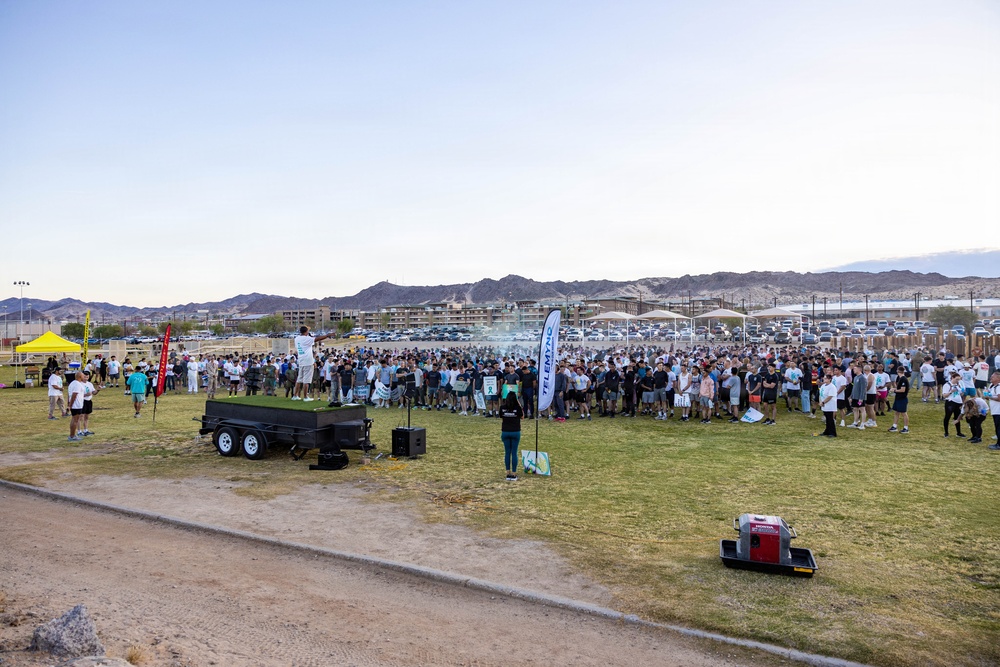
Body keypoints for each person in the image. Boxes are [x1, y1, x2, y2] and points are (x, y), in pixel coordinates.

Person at [292, 326, 333, 401]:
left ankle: (295, 395)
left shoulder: (297, 338)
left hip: (301, 361)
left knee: (299, 379)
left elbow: (308, 336)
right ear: (306, 332)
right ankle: (305, 397)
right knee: (306, 381)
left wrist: (307, 330)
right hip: (308, 361)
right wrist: (327, 335)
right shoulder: (307, 339)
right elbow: (318, 339)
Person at [499, 392, 523, 481]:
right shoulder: (517, 408)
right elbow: (522, 416)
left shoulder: (502, 408)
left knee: (507, 452)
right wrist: (519, 404)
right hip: (515, 431)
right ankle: (514, 473)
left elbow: (501, 416)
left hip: (505, 431)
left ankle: (507, 472)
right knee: (514, 452)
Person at [942, 372, 966, 438]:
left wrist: (961, 392)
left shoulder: (959, 384)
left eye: (959, 379)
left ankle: (958, 432)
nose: (958, 381)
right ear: (952, 378)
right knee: (947, 417)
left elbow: (961, 394)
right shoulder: (947, 385)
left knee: (957, 417)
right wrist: (951, 392)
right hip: (950, 402)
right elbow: (944, 395)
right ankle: (946, 432)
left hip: (958, 402)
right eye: (956, 379)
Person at [78, 371, 101, 437]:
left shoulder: (89, 384)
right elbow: (77, 394)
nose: (86, 378)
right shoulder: (79, 384)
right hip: (82, 401)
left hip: (89, 401)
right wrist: (85, 395)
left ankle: (86, 430)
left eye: (87, 377)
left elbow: (94, 392)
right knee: (80, 417)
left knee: (86, 416)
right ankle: (79, 431)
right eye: (84, 377)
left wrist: (98, 390)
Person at [888, 366, 910, 434]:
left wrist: (894, 390)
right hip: (898, 398)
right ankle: (894, 426)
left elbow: (902, 390)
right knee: (896, 412)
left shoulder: (903, 379)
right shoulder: (900, 378)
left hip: (902, 398)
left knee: (904, 413)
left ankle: (906, 428)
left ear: (898, 371)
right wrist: (895, 389)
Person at [67, 371, 86, 441]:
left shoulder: (72, 383)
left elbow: (69, 395)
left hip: (76, 405)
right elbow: (74, 395)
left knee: (74, 419)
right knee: (75, 420)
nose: (84, 377)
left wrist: (68, 404)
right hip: (76, 405)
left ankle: (72, 435)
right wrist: (70, 405)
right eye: (83, 376)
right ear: (80, 377)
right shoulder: (77, 384)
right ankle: (72, 435)